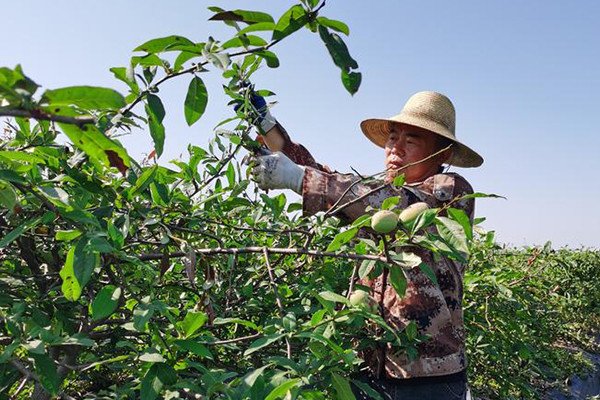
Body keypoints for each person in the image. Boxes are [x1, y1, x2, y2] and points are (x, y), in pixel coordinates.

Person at [246, 91, 483, 399]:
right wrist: (268, 128)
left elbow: (396, 205)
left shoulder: (451, 193)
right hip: (372, 364)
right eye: (392, 138)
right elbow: (324, 177)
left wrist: (300, 179)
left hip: (429, 376)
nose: (395, 148)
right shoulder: (368, 197)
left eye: (411, 141)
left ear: (441, 155)